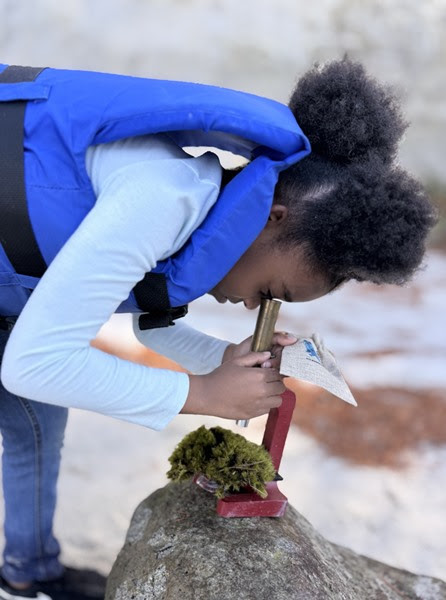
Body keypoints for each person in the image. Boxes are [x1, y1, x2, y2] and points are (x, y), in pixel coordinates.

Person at [0, 58, 436, 599]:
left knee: (36, 428)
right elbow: (34, 364)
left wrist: (227, 364)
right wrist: (206, 394)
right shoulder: (161, 199)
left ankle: (29, 571)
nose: (257, 307)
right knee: (36, 409)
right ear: (275, 216)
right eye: (274, 294)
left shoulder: (195, 192)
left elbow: (151, 326)